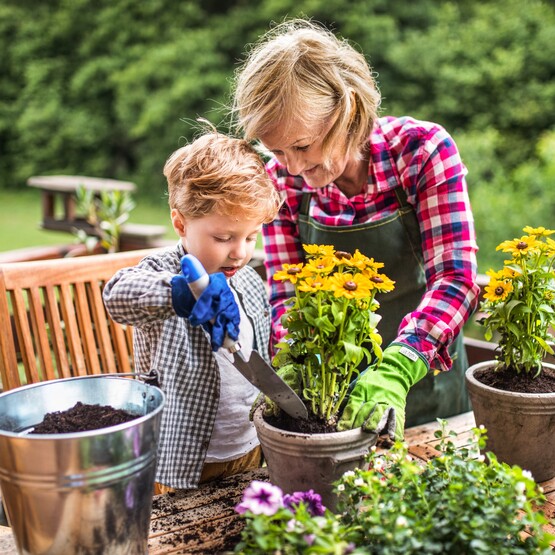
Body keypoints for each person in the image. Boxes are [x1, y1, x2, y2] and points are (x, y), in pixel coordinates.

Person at [231, 19, 481, 440]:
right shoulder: (283, 182)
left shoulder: (421, 152)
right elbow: (287, 292)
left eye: (302, 146)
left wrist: (398, 367)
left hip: (425, 386)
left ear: (347, 112)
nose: (290, 166)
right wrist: (293, 363)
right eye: (276, 150)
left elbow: (457, 278)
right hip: (333, 395)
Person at [103, 129, 281, 491]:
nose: (240, 252)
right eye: (223, 238)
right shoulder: (163, 270)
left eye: (251, 236)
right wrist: (181, 293)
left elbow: (259, 351)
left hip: (249, 446)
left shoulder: (246, 279)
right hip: (182, 459)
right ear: (181, 223)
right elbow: (118, 295)